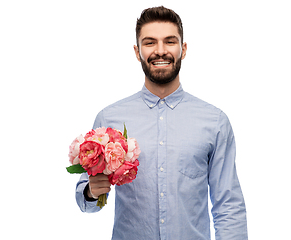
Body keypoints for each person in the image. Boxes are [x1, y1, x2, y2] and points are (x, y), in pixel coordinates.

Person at [75, 6, 248, 240]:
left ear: (183, 49)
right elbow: (87, 203)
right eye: (149, 43)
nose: (160, 51)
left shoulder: (215, 122)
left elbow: (228, 205)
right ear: (137, 52)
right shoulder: (109, 120)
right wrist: (91, 192)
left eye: (169, 41)